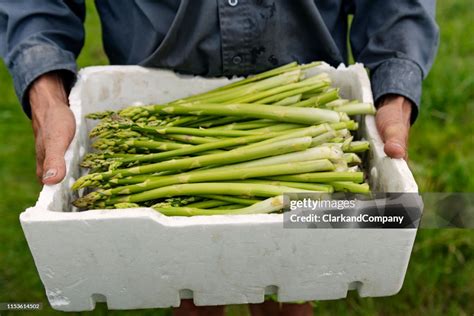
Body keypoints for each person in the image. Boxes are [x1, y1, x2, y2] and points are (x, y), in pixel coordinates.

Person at [0, 1, 438, 315]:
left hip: (304, 69)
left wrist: (395, 85)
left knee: (293, 280)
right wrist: (46, 90)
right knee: (185, 282)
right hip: (150, 78)